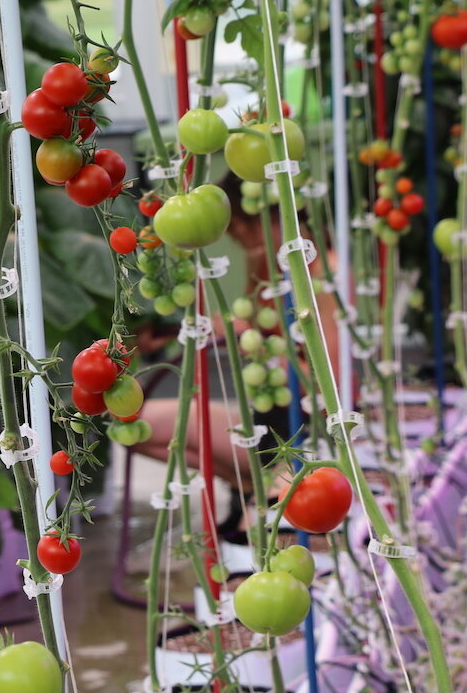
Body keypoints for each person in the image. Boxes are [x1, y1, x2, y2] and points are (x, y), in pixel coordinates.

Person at [129, 167, 343, 521]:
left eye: (240, 232)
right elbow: (251, 326)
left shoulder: (324, 277)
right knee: (136, 425)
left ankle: (258, 489)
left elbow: (331, 383)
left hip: (302, 435)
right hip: (267, 422)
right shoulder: (269, 269)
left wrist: (270, 354)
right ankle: (248, 488)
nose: (240, 242)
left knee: (172, 421)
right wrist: (181, 332)